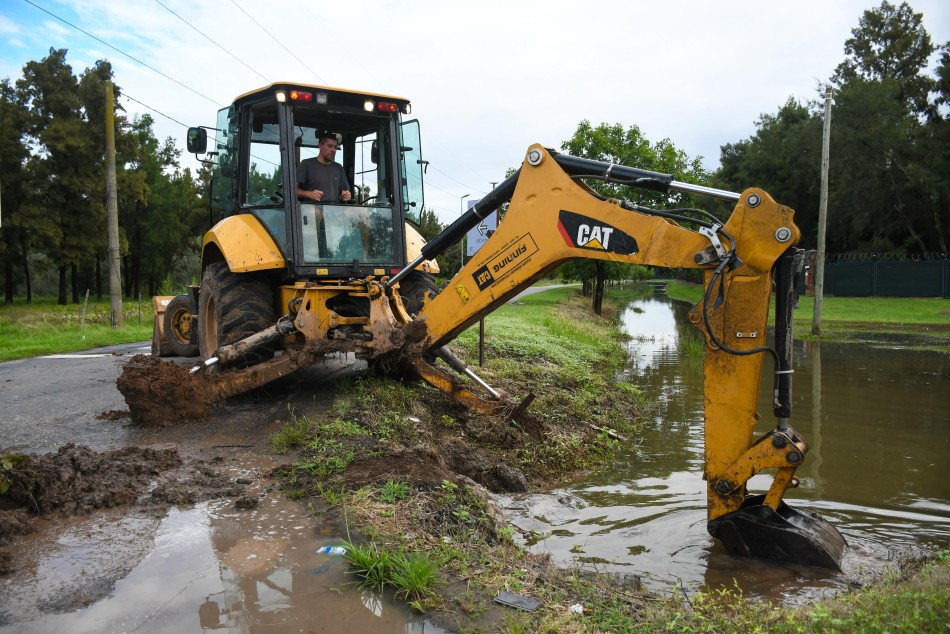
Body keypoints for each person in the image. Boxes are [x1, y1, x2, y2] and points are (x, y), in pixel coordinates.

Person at [296, 131, 352, 203]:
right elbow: (291, 191)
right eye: (329, 146)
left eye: (335, 147)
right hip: (311, 211)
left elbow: (345, 191)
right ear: (320, 146)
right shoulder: (306, 164)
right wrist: (308, 194)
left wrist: (346, 195)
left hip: (335, 211)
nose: (333, 150)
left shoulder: (338, 168)